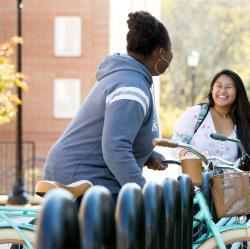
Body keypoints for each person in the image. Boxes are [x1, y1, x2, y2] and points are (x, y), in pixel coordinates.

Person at [43, 11, 172, 200]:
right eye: (170, 49)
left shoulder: (131, 78)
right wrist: (144, 193)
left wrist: (148, 154)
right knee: (143, 222)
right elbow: (115, 147)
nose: (171, 56)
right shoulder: (131, 87)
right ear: (161, 52)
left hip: (93, 175)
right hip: (83, 177)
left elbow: (116, 133)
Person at [171, 69, 250, 172]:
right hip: (195, 186)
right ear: (212, 89)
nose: (222, 91)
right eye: (219, 86)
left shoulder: (245, 124)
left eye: (228, 87)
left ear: (237, 92)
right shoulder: (196, 114)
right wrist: (190, 156)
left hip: (234, 187)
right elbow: (174, 146)